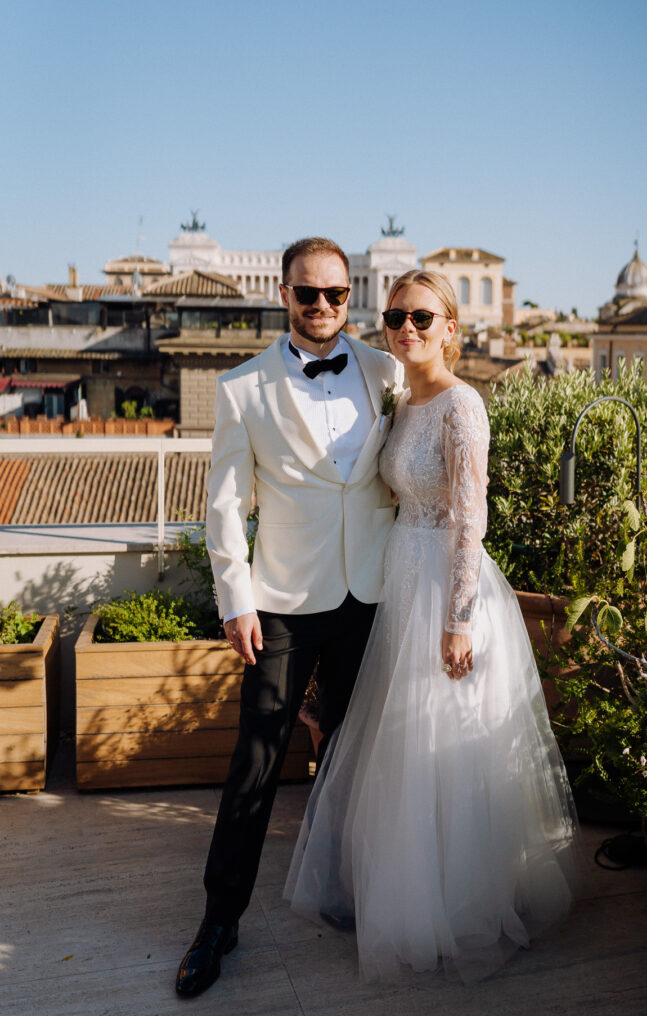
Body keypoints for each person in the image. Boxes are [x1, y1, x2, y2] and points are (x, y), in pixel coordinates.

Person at [285, 270, 581, 983]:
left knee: (443, 748)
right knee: (398, 746)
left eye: (422, 316)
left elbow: (470, 518)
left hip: (448, 593)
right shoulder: (400, 402)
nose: (406, 329)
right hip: (398, 586)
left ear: (451, 326)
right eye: (394, 317)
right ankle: (399, 892)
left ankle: (453, 906)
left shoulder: (461, 405)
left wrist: (458, 620)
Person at [176, 237, 404, 998]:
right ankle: (218, 922)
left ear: (352, 297)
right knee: (257, 762)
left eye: (337, 295)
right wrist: (236, 599)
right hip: (282, 606)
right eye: (308, 294)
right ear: (284, 295)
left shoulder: (385, 371)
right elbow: (222, 509)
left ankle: (357, 894)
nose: (323, 308)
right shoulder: (241, 388)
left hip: (371, 597)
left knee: (358, 754)